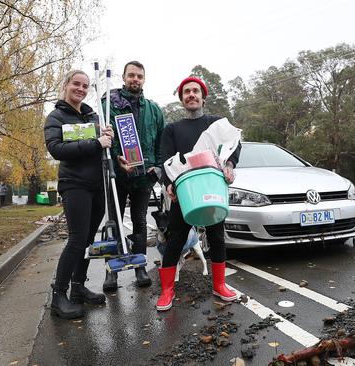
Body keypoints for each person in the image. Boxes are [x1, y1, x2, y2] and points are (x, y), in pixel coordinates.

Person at [156, 76, 240, 311]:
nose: (191, 95)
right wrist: (169, 183)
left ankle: (219, 284)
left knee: (216, 236)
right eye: (186, 92)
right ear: (182, 99)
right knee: (176, 239)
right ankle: (167, 290)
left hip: (212, 187)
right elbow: (166, 160)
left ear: (203, 97)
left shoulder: (216, 123)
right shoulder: (172, 129)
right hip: (185, 190)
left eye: (195, 91)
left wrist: (230, 165)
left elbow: (235, 144)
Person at [44, 70, 113, 319]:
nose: (81, 89)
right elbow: (56, 148)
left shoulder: (92, 116)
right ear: (66, 85)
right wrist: (96, 142)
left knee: (87, 241)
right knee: (77, 238)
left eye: (85, 86)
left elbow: (100, 147)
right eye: (76, 84)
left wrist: (108, 140)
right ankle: (58, 296)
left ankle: (78, 287)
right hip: (74, 185)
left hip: (97, 185)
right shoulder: (56, 116)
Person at [101, 61, 165, 291]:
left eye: (139, 76)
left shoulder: (154, 110)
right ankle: (112, 271)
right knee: (115, 222)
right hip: (116, 174)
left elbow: (161, 142)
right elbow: (105, 137)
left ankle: (139, 266)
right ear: (124, 77)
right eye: (131, 75)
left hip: (143, 177)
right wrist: (117, 157)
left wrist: (157, 168)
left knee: (139, 223)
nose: (135, 79)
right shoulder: (109, 104)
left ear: (144, 79)